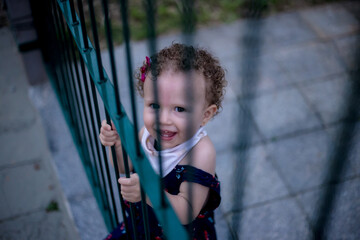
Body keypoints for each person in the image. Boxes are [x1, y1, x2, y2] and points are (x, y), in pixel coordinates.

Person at [99, 43, 227, 240]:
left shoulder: (201, 152)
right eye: (155, 105)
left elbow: (188, 209)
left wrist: (148, 192)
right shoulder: (146, 133)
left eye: (179, 109)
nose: (163, 119)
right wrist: (116, 145)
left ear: (205, 115)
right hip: (141, 225)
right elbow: (124, 166)